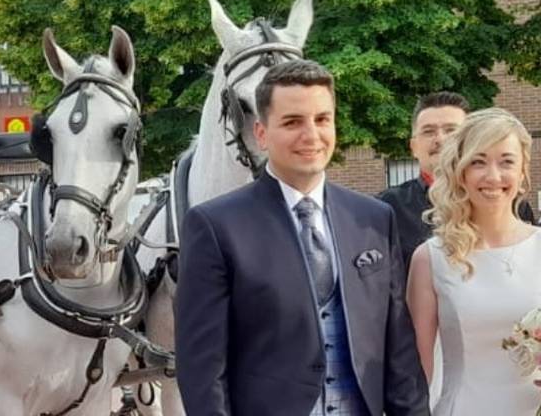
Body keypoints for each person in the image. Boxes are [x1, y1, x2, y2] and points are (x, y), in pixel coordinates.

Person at [175, 59, 429, 416]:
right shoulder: (214, 225)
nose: (311, 135)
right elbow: (202, 368)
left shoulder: (373, 218)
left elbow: (399, 350)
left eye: (322, 119)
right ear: (262, 134)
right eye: (293, 122)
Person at [407, 108, 539, 415]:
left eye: (506, 162)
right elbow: (416, 373)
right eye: (478, 162)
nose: (493, 176)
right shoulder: (431, 259)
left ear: (522, 173)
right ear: (460, 172)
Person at [378, 92, 469, 275]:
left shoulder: (505, 203)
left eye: (451, 130)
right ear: (413, 147)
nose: (440, 139)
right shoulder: (386, 208)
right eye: (428, 132)